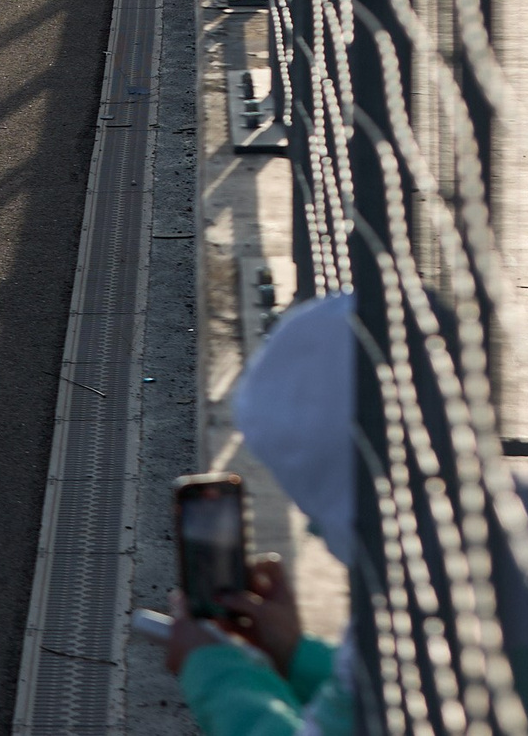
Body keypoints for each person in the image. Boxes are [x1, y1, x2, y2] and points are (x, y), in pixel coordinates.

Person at [144, 294, 361, 736]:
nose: (313, 528)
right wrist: (295, 656)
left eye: (318, 499)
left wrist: (216, 674)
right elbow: (372, 710)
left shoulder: (407, 610)